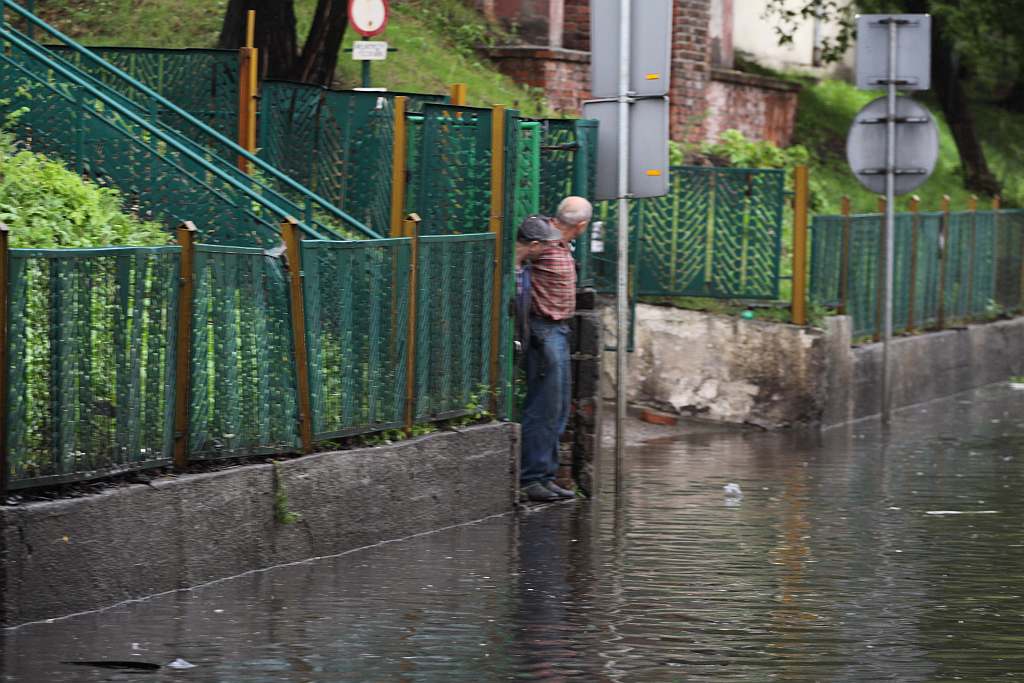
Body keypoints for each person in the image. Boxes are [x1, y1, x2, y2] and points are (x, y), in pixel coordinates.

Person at [519, 196, 593, 503]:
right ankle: (532, 477)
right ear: (582, 226)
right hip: (545, 329)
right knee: (544, 407)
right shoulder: (544, 240)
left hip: (559, 330)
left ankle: (545, 476)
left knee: (558, 407)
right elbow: (518, 259)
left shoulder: (558, 241)